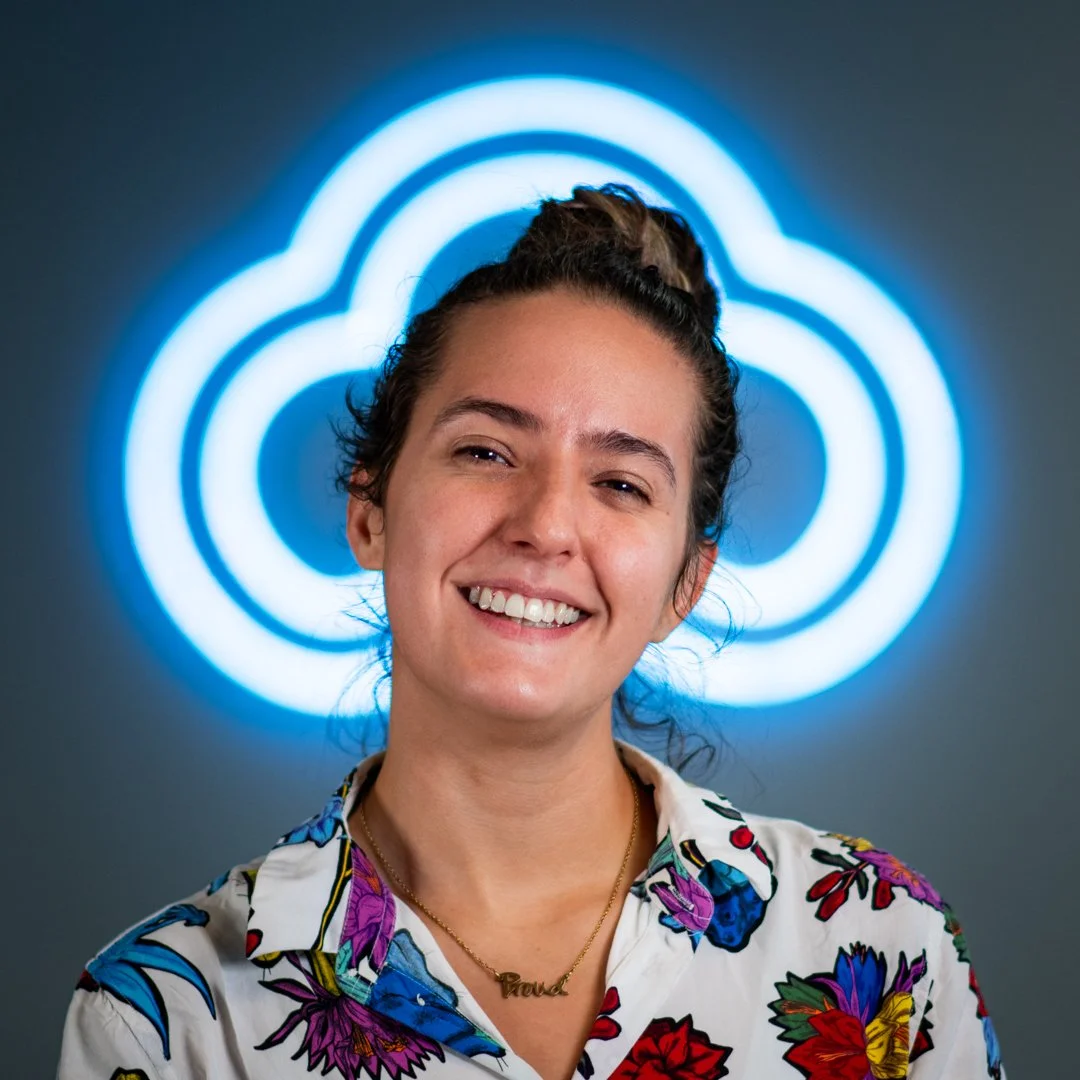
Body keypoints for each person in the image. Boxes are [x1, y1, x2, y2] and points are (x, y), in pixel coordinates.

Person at [57, 184, 1004, 1080]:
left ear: (686, 581)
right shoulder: (168, 1014)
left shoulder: (882, 946)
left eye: (621, 483)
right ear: (370, 512)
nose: (545, 525)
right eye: (485, 451)